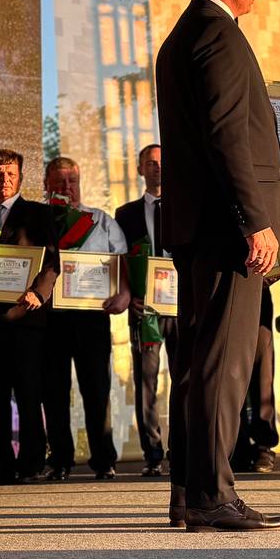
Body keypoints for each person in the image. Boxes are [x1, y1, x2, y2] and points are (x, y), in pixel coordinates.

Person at [154, 0, 280, 532]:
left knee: (196, 361)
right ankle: (213, 496)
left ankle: (188, 491)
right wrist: (255, 219)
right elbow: (227, 134)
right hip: (226, 229)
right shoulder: (220, 35)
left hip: (199, 224)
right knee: (223, 363)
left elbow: (220, 136)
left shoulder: (183, 35)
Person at [0, 149, 59, 485]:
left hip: (26, 318)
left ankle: (32, 464)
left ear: (20, 178)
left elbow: (52, 262)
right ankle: (1, 465)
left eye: (10, 174)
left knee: (28, 393)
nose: (3, 179)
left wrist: (39, 293)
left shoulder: (39, 214)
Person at [43, 157, 129, 480]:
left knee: (97, 390)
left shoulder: (101, 220)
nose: (67, 187)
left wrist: (124, 294)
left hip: (92, 316)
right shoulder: (39, 219)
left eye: (72, 181)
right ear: (47, 184)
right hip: (50, 317)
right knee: (54, 391)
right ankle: (60, 461)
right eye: (59, 182)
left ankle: (104, 460)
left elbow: (121, 260)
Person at [115, 143, 176, 477]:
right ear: (140, 169)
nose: (157, 167)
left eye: (162, 162)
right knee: (146, 384)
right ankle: (153, 454)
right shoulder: (125, 214)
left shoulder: (186, 207)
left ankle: (182, 450)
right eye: (150, 163)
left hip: (181, 309)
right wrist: (130, 294)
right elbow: (120, 261)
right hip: (144, 310)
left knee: (185, 380)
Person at [230, 289, 280, 473]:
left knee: (262, 371)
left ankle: (263, 446)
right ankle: (237, 446)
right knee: (231, 373)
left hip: (258, 289)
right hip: (226, 293)